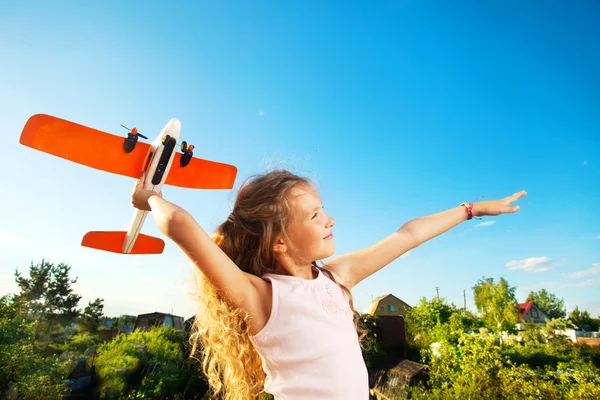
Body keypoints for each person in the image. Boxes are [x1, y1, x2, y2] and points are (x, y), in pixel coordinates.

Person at [131, 169, 526, 400]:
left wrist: (470, 210)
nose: (330, 220)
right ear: (279, 241)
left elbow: (408, 235)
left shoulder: (338, 276)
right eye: (315, 214)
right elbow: (180, 224)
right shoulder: (262, 297)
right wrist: (151, 198)